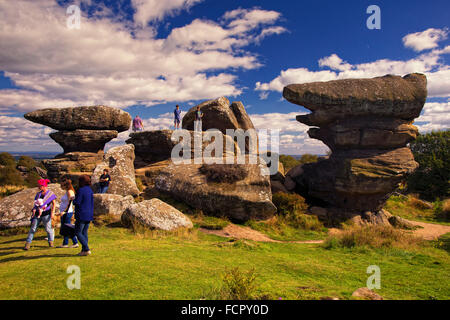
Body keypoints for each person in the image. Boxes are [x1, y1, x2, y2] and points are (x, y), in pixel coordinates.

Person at [24, 179, 56, 250]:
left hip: (46, 214)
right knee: (33, 228)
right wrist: (34, 209)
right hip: (37, 214)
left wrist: (52, 213)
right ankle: (28, 244)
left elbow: (53, 204)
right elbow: (35, 203)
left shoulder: (50, 194)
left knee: (48, 229)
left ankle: (51, 242)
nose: (38, 187)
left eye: (40, 186)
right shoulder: (38, 194)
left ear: (44, 186)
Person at [73, 175, 94, 256]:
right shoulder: (90, 190)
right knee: (84, 232)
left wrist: (73, 200)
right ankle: (83, 250)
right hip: (89, 213)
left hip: (81, 213)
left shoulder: (81, 190)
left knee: (78, 232)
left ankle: (86, 248)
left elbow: (77, 202)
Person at [56, 179, 78, 248]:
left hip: (67, 213)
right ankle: (65, 243)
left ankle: (75, 242)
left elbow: (70, 202)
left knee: (67, 227)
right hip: (65, 212)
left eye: (62, 185)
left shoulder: (69, 192)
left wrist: (64, 211)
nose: (61, 187)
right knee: (65, 228)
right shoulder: (67, 191)